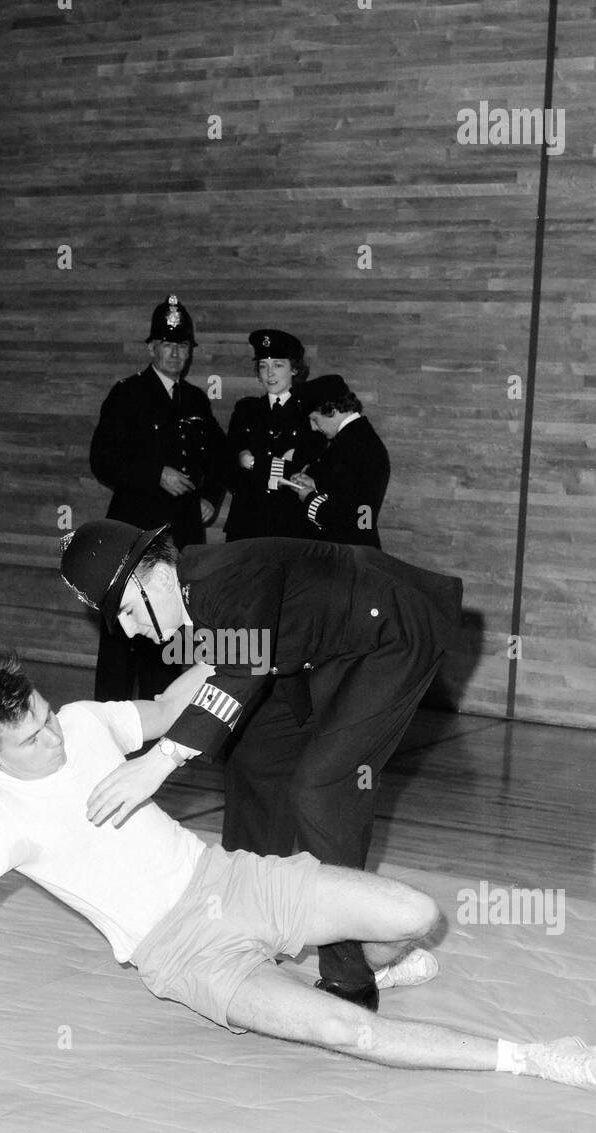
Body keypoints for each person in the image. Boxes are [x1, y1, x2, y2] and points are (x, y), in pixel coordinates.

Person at [0, 655, 596, 1099]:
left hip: (230, 878)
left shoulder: (82, 721)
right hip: (184, 956)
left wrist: (231, 627)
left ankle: (340, 963)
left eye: (44, 719)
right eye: (28, 742)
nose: (52, 743)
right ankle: (539, 1058)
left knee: (415, 911)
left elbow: (173, 709)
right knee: (347, 1032)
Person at [60, 521, 465, 1011]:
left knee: (324, 788)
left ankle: (349, 979)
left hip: (392, 631)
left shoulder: (227, 578)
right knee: (255, 758)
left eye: (126, 609)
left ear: (161, 580)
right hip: (323, 647)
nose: (128, 629)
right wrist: (158, 722)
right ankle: (247, 930)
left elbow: (244, 666)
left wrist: (161, 759)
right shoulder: (191, 596)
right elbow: (216, 668)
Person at [88, 293, 228, 701]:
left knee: (169, 627)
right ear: (152, 348)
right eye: (168, 344)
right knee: (122, 626)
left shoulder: (196, 400)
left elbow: (216, 458)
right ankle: (110, 714)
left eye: (182, 346)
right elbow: (103, 460)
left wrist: (210, 497)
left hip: (179, 531)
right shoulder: (127, 394)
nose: (175, 353)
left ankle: (160, 713)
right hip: (136, 530)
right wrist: (155, 475)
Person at [224, 328, 321, 542]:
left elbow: (306, 470)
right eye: (263, 366)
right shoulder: (246, 410)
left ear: (294, 369)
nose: (269, 374)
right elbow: (229, 465)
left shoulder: (310, 413)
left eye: (278, 365)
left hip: (291, 525)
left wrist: (252, 464)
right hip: (246, 523)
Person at [279, 373, 390, 548]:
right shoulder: (356, 439)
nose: (314, 428)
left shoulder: (354, 445)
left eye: (315, 420)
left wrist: (308, 497)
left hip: (346, 551)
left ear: (332, 410)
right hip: (353, 549)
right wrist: (315, 485)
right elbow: (344, 491)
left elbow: (350, 516)